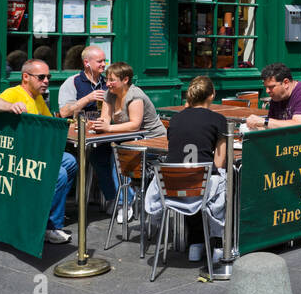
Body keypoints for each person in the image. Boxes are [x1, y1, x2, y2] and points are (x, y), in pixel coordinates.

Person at [0, 59, 77, 245]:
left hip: (36, 152)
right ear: (25, 77)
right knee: (58, 174)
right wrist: (10, 106)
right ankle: (46, 226)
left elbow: (49, 123)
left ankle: (49, 218)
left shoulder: (38, 98)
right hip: (18, 157)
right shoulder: (14, 93)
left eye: (48, 77)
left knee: (70, 162)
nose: (46, 81)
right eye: (41, 77)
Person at [146, 75, 227, 264]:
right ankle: (218, 244)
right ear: (212, 95)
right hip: (202, 185)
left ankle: (195, 244)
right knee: (223, 182)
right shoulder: (218, 119)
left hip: (173, 187)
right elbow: (220, 159)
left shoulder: (175, 119)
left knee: (192, 185)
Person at [89, 62, 166, 223]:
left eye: (112, 80)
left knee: (116, 157)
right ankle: (113, 197)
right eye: (107, 79)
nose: (108, 83)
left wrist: (108, 128)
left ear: (125, 80)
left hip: (152, 141)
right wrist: (97, 124)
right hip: (126, 139)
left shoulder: (135, 95)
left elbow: (134, 124)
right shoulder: (109, 94)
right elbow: (105, 118)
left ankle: (126, 203)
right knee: (97, 155)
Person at [244, 63, 301, 130]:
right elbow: (272, 127)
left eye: (271, 87)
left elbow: (298, 125)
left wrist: (264, 121)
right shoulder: (277, 97)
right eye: (266, 87)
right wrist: (254, 129)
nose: (267, 91)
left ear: (286, 83)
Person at [56, 44, 107, 120]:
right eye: (99, 61)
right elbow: (64, 113)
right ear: (86, 63)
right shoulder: (73, 82)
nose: (103, 64)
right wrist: (88, 99)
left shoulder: (108, 82)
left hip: (104, 128)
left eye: (104, 61)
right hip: (79, 128)